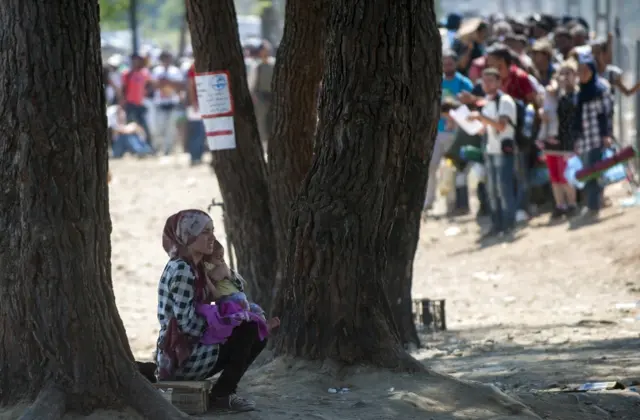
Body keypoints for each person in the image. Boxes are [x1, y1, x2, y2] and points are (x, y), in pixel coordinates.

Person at [156, 209, 279, 411]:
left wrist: (228, 274)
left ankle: (222, 392)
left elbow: (235, 293)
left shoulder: (199, 265)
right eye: (205, 232)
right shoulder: (182, 270)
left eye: (212, 231)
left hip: (195, 347)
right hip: (183, 355)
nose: (212, 238)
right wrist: (223, 325)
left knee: (256, 329)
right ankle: (223, 394)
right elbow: (186, 325)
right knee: (248, 329)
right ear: (187, 236)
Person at [468, 67, 518, 237]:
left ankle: (508, 224)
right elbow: (486, 128)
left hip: (503, 151)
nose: (487, 84)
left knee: (504, 189)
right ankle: (496, 225)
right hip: (490, 150)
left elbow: (501, 125)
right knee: (492, 190)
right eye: (484, 80)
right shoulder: (488, 102)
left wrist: (481, 118)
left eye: (490, 80)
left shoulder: (505, 101)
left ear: (499, 82)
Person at [424, 49, 473, 212]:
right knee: (431, 166)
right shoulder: (435, 82)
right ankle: (429, 201)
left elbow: (469, 105)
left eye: (450, 63)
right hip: (437, 131)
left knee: (452, 168)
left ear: (455, 64)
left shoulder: (464, 83)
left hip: (456, 132)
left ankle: (452, 204)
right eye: (444, 63)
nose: (447, 66)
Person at [573, 53, 614, 223]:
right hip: (583, 140)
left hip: (597, 137)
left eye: (586, 70)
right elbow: (576, 118)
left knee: (593, 172)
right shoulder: (579, 92)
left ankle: (593, 206)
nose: (582, 74)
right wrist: (575, 139)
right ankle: (592, 204)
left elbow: (606, 114)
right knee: (588, 171)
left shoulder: (600, 90)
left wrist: (606, 135)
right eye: (580, 71)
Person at [536, 60, 579, 220]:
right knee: (554, 175)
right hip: (552, 139)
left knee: (566, 174)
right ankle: (560, 205)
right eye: (563, 73)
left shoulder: (577, 95)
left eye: (569, 73)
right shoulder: (555, 94)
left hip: (568, 140)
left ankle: (572, 203)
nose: (565, 77)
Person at [152, 51, 185, 155]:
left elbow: (180, 84)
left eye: (168, 59)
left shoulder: (175, 71)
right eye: (164, 59)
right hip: (160, 103)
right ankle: (157, 148)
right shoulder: (156, 70)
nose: (166, 61)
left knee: (170, 128)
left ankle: (168, 150)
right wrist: (163, 83)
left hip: (172, 102)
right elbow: (154, 84)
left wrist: (168, 82)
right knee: (158, 127)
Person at [121, 54, 153, 143]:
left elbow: (150, 85)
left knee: (144, 126)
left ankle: (148, 145)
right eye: (133, 60)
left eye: (137, 60)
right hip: (130, 104)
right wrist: (123, 103)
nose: (135, 62)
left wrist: (145, 94)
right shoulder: (127, 74)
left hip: (140, 104)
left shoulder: (144, 73)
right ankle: (131, 145)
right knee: (130, 126)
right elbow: (123, 89)